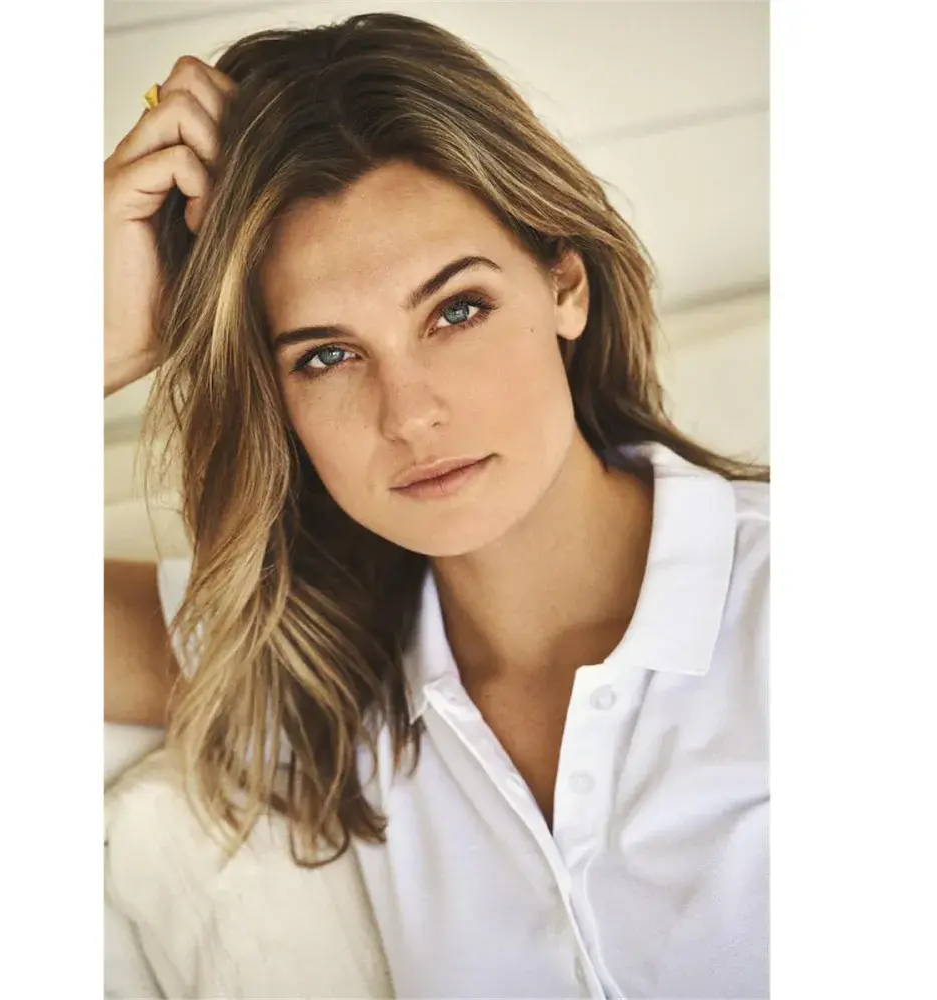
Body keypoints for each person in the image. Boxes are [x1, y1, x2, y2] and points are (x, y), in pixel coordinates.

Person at [103, 12, 769, 999]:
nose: (409, 413)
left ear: (565, 284)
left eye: (457, 310)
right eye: (327, 355)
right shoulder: (312, 668)